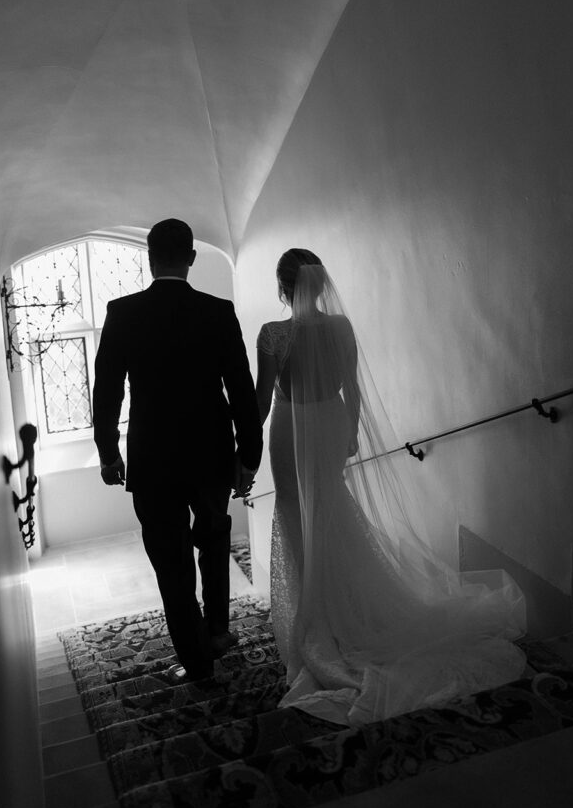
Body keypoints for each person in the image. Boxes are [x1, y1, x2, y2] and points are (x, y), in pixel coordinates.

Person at [256, 248, 527, 726]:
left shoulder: (274, 334)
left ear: (283, 286)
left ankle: (314, 621)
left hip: (290, 428)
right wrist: (352, 432)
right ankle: (346, 608)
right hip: (331, 424)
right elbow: (351, 387)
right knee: (333, 509)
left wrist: (239, 451)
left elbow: (262, 400)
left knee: (296, 512)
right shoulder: (340, 327)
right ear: (319, 285)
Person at [93, 219, 262, 683]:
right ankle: (218, 632)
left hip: (153, 458)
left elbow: (106, 392)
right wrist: (249, 454)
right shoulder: (218, 311)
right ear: (190, 258)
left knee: (171, 562)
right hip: (211, 451)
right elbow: (241, 389)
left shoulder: (123, 313)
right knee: (214, 541)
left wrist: (109, 454)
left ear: (150, 259)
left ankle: (197, 662)